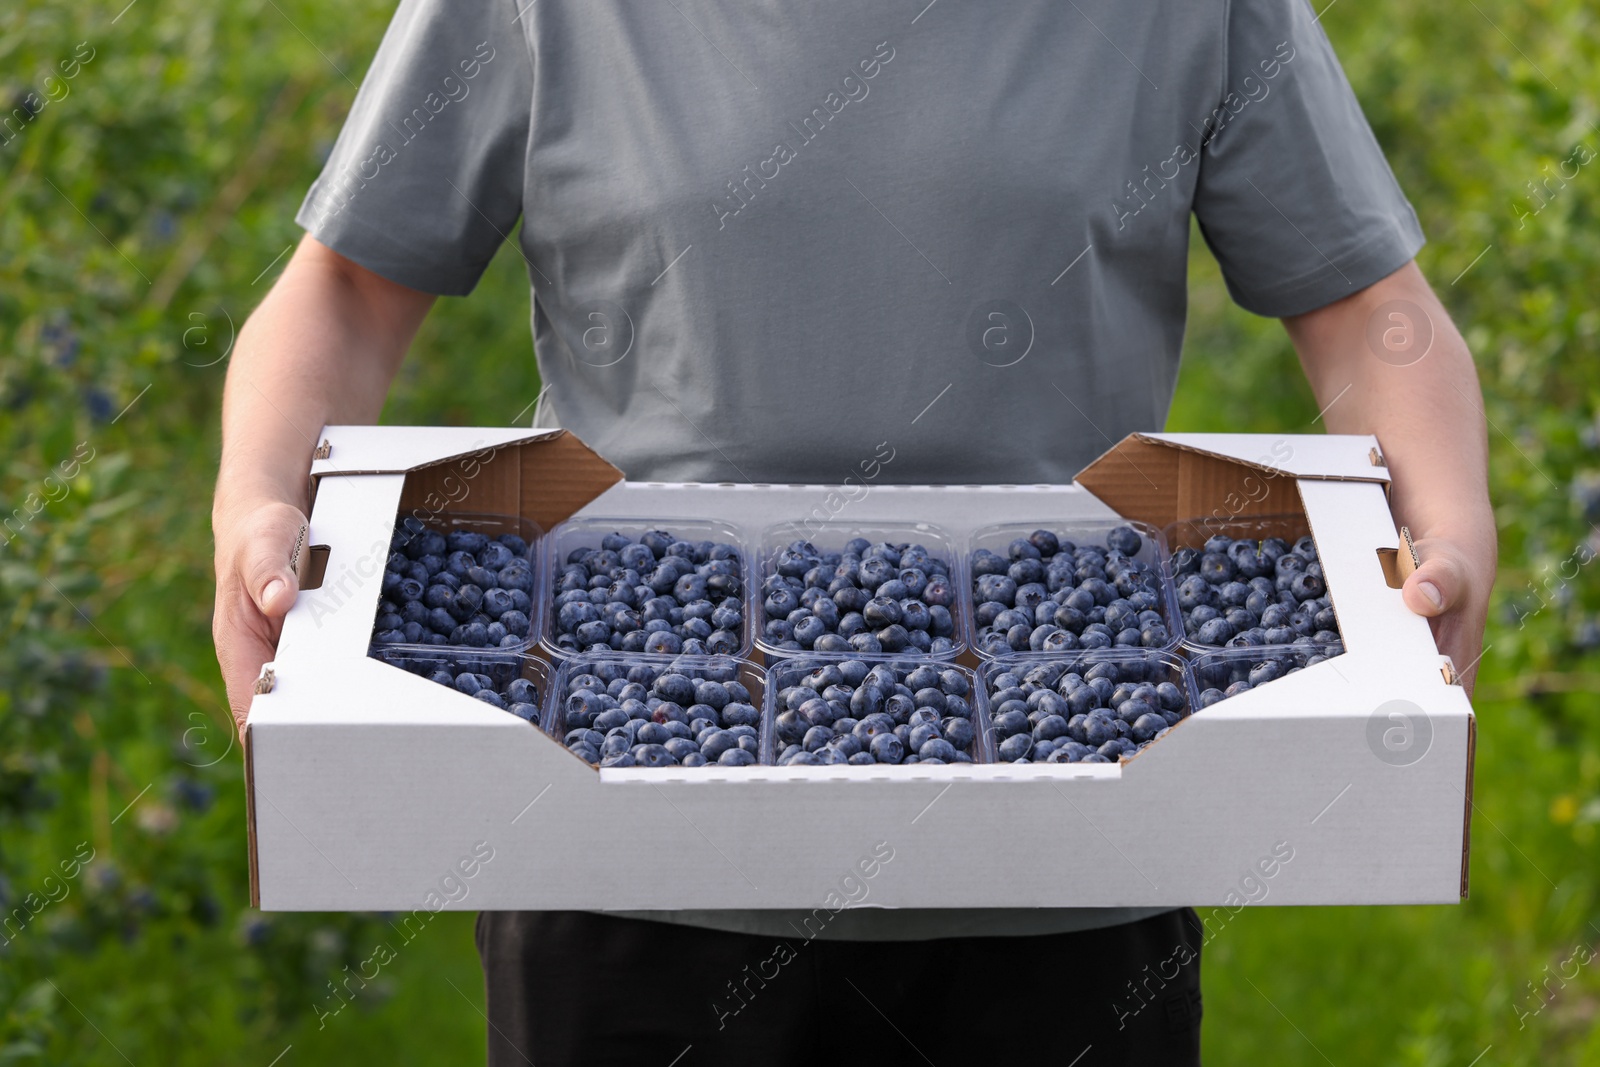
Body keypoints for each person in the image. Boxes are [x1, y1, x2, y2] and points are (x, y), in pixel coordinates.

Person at [211, 0, 1495, 1062]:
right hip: (617, 853)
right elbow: (346, 292)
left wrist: (1448, 517)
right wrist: (259, 498)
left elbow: (1362, 303)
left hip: (1072, 849)